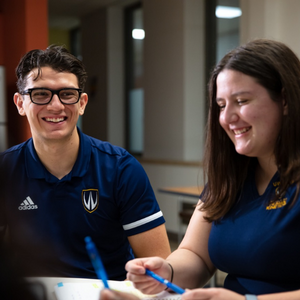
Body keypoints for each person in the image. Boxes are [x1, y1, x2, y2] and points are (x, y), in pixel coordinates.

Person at [125, 38, 300, 300]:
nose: (227, 118)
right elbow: (196, 256)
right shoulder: (232, 177)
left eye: (241, 101)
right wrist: (167, 271)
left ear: (285, 100)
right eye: (221, 106)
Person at [0, 45, 171, 281]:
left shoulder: (121, 169)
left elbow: (159, 270)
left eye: (67, 94)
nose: (56, 105)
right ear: (20, 103)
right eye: (40, 94)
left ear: (82, 103)